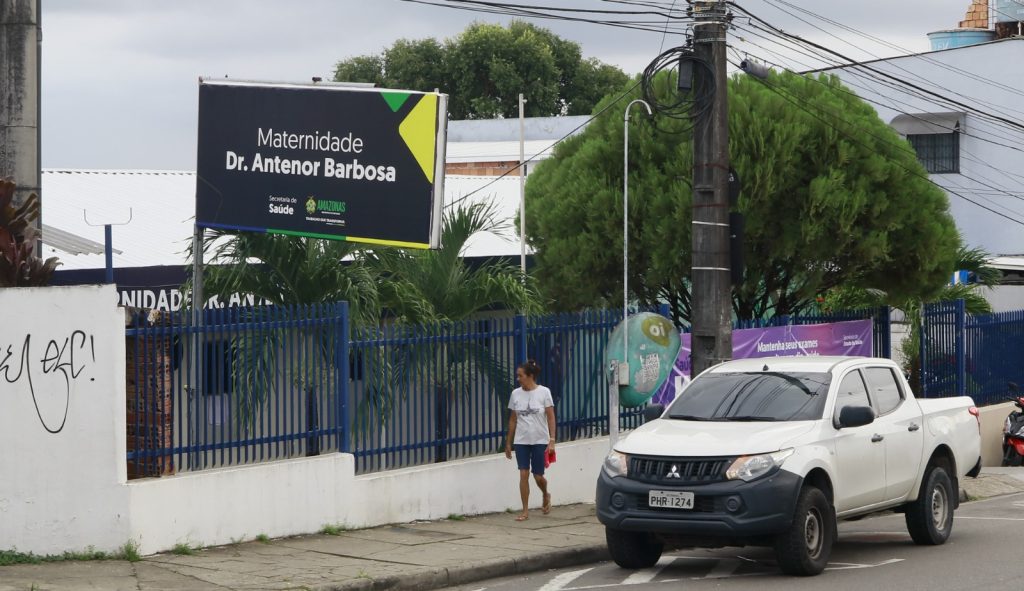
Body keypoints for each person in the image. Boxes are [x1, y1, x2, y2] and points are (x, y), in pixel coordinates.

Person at [504, 359, 556, 521]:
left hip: (540, 440)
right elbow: (513, 419)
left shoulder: (544, 392)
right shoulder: (515, 394)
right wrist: (508, 442)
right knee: (523, 474)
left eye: (520, 375)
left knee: (538, 476)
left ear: (530, 376)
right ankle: (525, 511)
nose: (518, 378)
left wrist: (552, 439)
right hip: (522, 441)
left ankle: (545, 493)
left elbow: (551, 417)